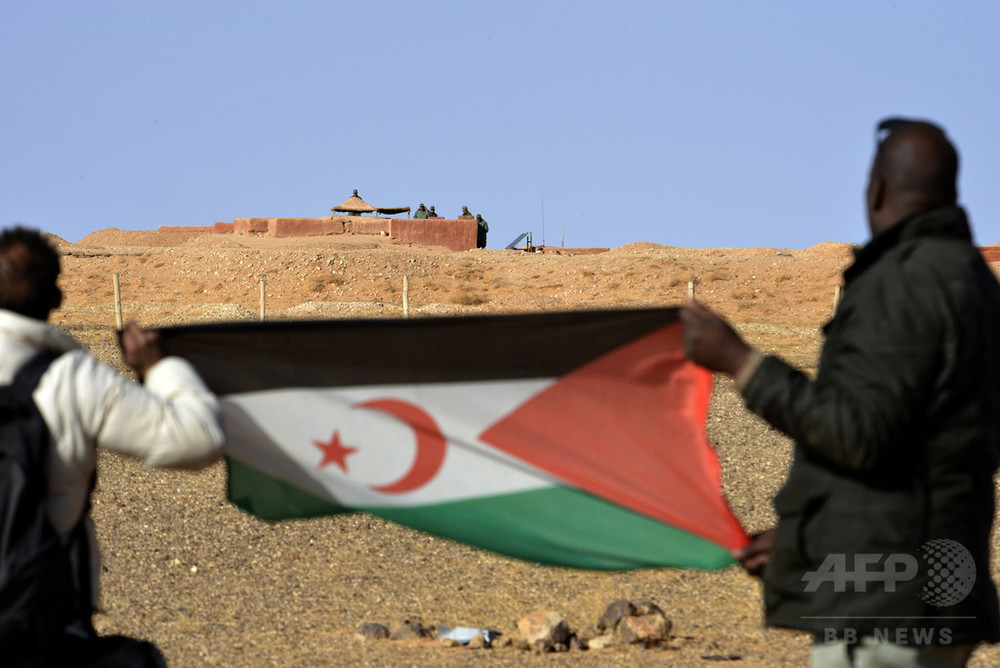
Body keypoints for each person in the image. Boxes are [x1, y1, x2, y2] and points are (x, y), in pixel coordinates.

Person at [682, 119, 1000, 667]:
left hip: (887, 608)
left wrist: (741, 360)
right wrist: (816, 539)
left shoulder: (903, 281)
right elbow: (912, 448)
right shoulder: (973, 282)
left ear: (876, 189)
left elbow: (857, 432)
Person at [0, 227, 225, 665]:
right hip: (36, 622)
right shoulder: (71, 378)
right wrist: (159, 368)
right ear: (57, 299)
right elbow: (198, 438)